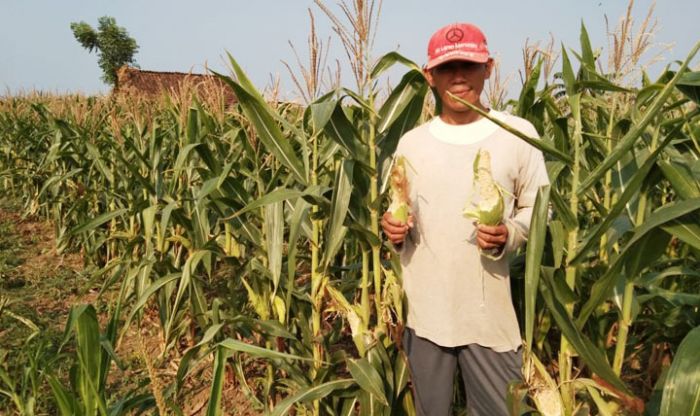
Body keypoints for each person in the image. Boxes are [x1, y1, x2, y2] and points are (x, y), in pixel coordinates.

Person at [381, 23, 550, 415]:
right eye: (447, 67)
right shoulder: (412, 144)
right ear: (429, 76)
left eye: (469, 65)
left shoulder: (517, 135)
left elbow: (539, 211)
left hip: (490, 321)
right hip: (426, 318)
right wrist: (391, 230)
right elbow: (399, 210)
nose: (459, 77)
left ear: (488, 67)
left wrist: (510, 233)